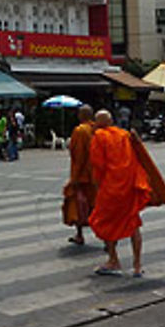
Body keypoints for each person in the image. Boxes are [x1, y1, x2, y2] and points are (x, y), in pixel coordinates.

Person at [88, 109, 153, 277]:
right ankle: (137, 265)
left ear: (97, 123)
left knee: (104, 222)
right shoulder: (124, 135)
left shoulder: (99, 137)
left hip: (110, 188)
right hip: (129, 186)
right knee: (133, 224)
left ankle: (113, 260)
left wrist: (96, 186)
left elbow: (98, 166)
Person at [63, 105, 97, 246]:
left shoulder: (80, 130)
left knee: (77, 206)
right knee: (96, 206)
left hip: (82, 176)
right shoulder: (97, 130)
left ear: (80, 116)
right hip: (96, 175)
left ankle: (80, 235)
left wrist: (74, 178)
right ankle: (108, 240)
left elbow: (79, 156)